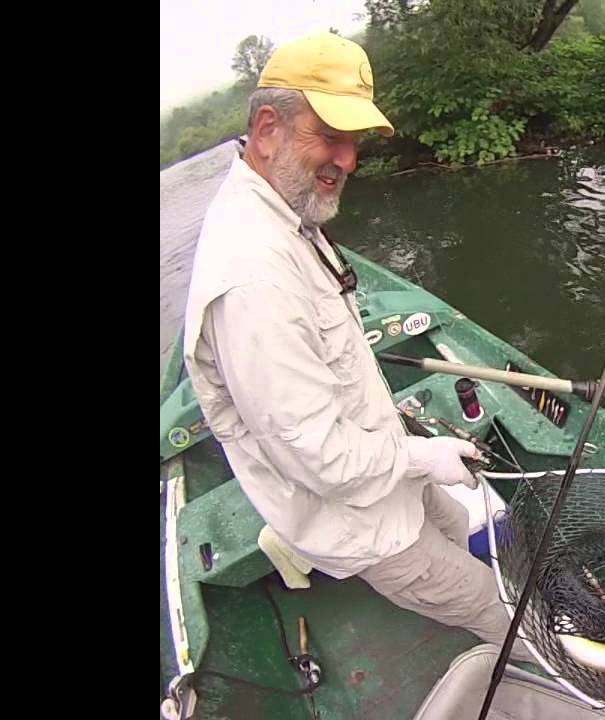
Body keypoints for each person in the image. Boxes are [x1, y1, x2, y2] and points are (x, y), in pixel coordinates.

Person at [182, 33, 532, 662]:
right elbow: (320, 460)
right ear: (268, 128)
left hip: (386, 461)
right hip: (357, 522)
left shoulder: (283, 211)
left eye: (355, 142)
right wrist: (425, 458)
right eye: (330, 136)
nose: (348, 159)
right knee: (494, 609)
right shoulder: (253, 281)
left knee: (457, 526)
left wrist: (415, 458)